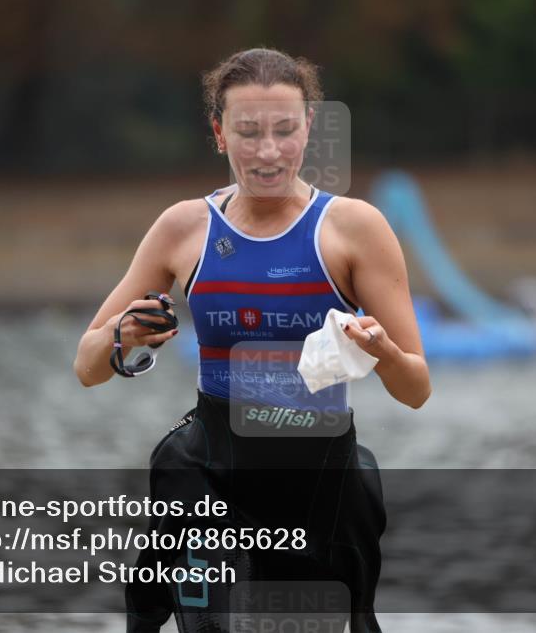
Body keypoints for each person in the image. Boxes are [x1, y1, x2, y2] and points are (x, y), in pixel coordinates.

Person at [74, 47, 431, 633]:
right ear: (218, 133)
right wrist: (122, 334)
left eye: (285, 131)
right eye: (248, 132)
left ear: (309, 129)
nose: (268, 152)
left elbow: (416, 387)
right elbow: (87, 365)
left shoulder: (354, 228)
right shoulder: (184, 227)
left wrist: (383, 353)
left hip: (319, 489)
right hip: (211, 481)